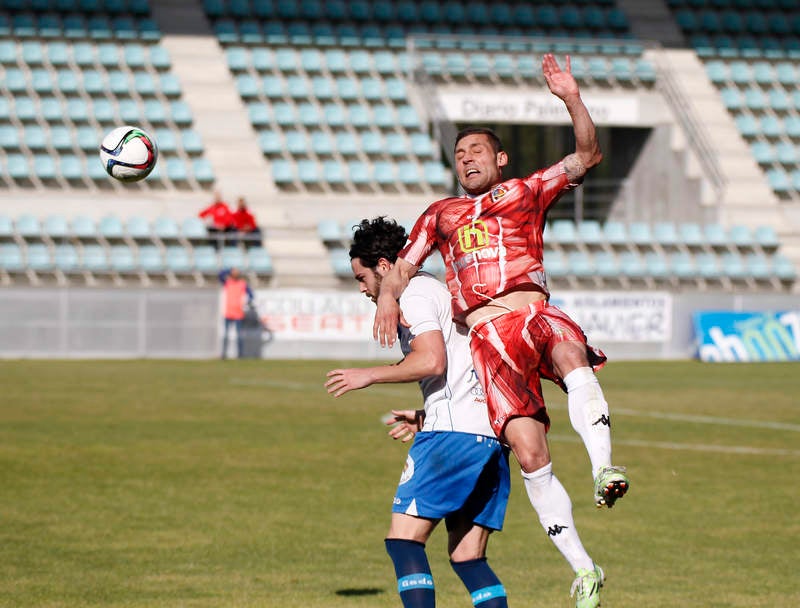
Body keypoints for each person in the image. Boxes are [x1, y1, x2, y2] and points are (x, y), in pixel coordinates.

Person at [373, 55, 628, 607]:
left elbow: (588, 155)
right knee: (530, 453)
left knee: (570, 352)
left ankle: (604, 465)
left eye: (477, 151)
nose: (467, 159)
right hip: (489, 340)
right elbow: (404, 265)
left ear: (500, 159)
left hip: (531, 313)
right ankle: (585, 570)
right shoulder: (440, 214)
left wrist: (571, 97)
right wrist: (389, 295)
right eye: (459, 153)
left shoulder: (526, 191)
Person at [325, 217, 511, 608]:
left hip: (453, 437)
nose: (361, 288)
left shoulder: (413, 294)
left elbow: (432, 361)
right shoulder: (436, 289)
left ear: (383, 266)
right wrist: (426, 414)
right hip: (490, 434)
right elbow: (460, 369)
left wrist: (368, 375)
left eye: (362, 278)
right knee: (467, 556)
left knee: (404, 541)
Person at [218, 267, 253, 359]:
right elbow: (220, 274)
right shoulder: (227, 282)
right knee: (226, 335)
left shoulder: (242, 284)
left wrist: (248, 302)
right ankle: (224, 354)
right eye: (234, 272)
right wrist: (230, 270)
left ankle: (240, 355)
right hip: (228, 313)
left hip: (238, 313)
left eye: (237, 272)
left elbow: (251, 295)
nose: (235, 274)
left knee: (239, 335)